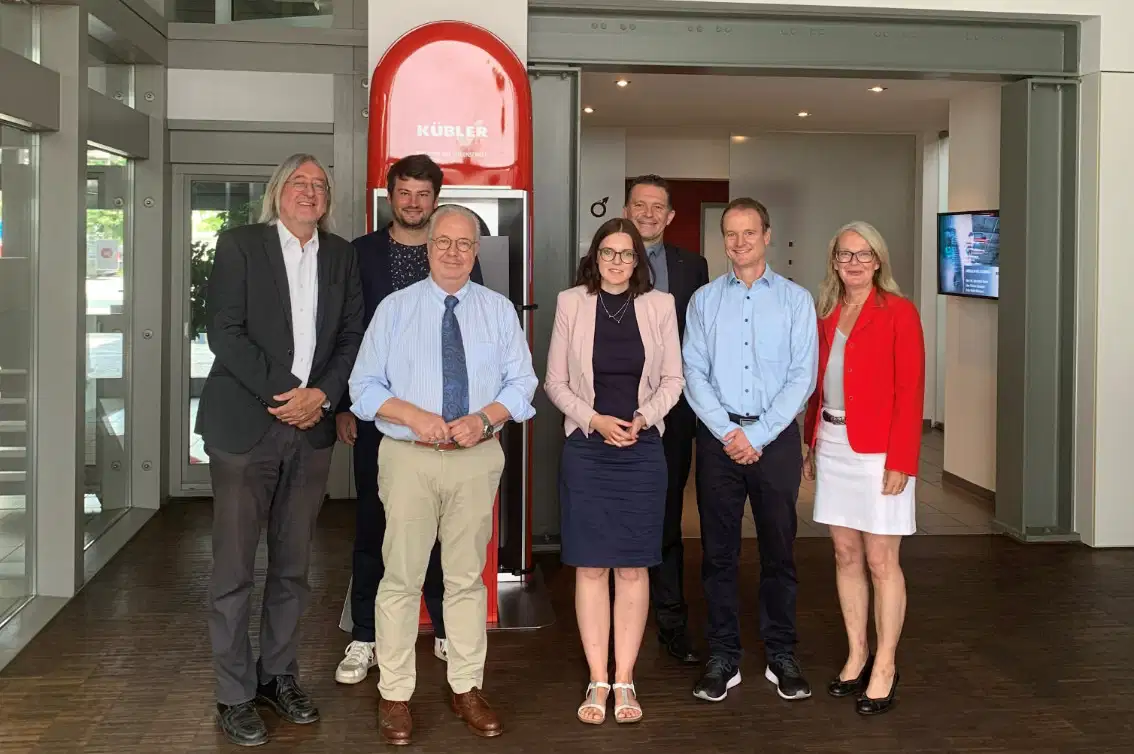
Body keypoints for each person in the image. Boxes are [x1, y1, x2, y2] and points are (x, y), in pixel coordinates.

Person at [348, 204, 537, 745]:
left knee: (465, 580)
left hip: (476, 460)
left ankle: (466, 687)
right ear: (427, 247)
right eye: (443, 242)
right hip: (408, 459)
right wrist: (416, 417)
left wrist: (483, 419)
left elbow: (523, 386)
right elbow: (363, 390)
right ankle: (396, 694)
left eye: (465, 244)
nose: (454, 252)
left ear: (476, 252)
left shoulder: (499, 311)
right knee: (401, 578)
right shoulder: (394, 309)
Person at [197, 153, 364, 746]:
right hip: (247, 426)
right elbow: (224, 331)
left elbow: (352, 336)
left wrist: (321, 395)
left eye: (320, 185)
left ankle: (278, 677)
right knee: (235, 569)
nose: (310, 192)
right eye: (300, 183)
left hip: (311, 428)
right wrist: (290, 392)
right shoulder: (242, 245)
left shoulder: (341, 255)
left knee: (294, 567)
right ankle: (234, 693)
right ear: (278, 192)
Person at [333, 154, 484, 684]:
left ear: (435, 199)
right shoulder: (361, 253)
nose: (413, 202)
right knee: (375, 525)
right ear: (391, 195)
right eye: (405, 192)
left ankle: (444, 626)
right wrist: (347, 406)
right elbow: (348, 331)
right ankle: (365, 637)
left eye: (423, 193)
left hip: (449, 427)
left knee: (445, 531)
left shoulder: (454, 250)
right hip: (380, 419)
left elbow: (475, 332)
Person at [544, 218, 684, 725]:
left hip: (643, 449)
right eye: (609, 252)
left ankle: (624, 679)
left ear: (638, 259)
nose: (618, 261)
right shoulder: (571, 303)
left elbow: (673, 379)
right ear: (595, 256)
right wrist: (595, 420)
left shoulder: (660, 305)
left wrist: (644, 418)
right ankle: (596, 679)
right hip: (587, 448)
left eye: (627, 254)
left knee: (632, 566)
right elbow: (555, 382)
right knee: (590, 566)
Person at [682, 197, 817, 703]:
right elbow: (692, 371)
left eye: (748, 233)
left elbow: (802, 376)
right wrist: (727, 432)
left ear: (766, 235)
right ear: (724, 241)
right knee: (718, 554)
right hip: (719, 441)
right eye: (730, 234)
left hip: (775, 439)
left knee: (779, 552)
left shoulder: (795, 300)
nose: (739, 243)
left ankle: (782, 653)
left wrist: (756, 435)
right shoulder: (703, 301)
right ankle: (723, 656)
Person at [802, 221, 925, 716]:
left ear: (878, 261)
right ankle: (857, 654)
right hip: (832, 443)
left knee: (881, 561)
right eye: (844, 255)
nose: (853, 263)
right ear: (834, 262)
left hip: (878, 452)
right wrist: (810, 441)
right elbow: (816, 383)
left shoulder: (898, 312)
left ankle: (886, 664)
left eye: (863, 255)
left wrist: (902, 461)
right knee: (845, 554)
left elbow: (910, 391)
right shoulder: (827, 312)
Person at [622, 175, 709, 665]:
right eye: (640, 204)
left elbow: (697, 341)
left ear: (671, 216)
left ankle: (671, 619)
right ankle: (619, 612)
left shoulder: (692, 267)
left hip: (672, 415)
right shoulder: (602, 260)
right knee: (620, 512)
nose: (649, 214)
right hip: (611, 414)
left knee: (667, 516)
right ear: (627, 208)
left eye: (658, 207)